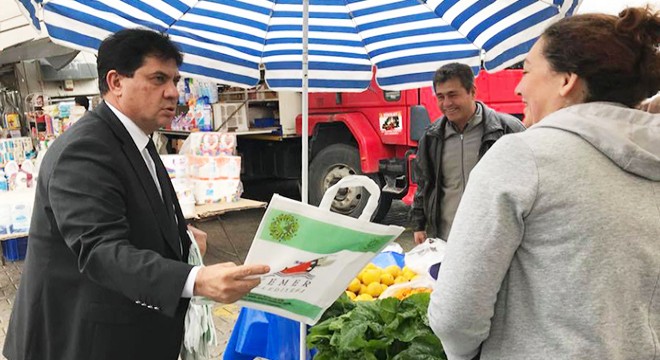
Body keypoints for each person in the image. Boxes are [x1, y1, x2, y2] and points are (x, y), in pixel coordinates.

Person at [3, 29, 270, 360]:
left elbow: (133, 210)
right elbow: (100, 248)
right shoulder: (85, 149)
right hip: (81, 341)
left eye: (174, 80)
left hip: (130, 332)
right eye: (158, 79)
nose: (173, 92)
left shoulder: (137, 138)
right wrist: (195, 279)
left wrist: (181, 237)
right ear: (116, 82)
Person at [428, 7, 659, 360]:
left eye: (526, 70)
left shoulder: (524, 155)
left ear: (567, 79)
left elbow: (456, 314)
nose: (518, 85)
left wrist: (462, 353)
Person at [410, 63, 525, 244]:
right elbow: (424, 183)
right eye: (440, 97)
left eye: (453, 95)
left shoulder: (507, 130)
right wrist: (418, 224)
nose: (447, 103)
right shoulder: (432, 136)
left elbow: (527, 184)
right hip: (448, 238)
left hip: (495, 239)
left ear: (472, 91)